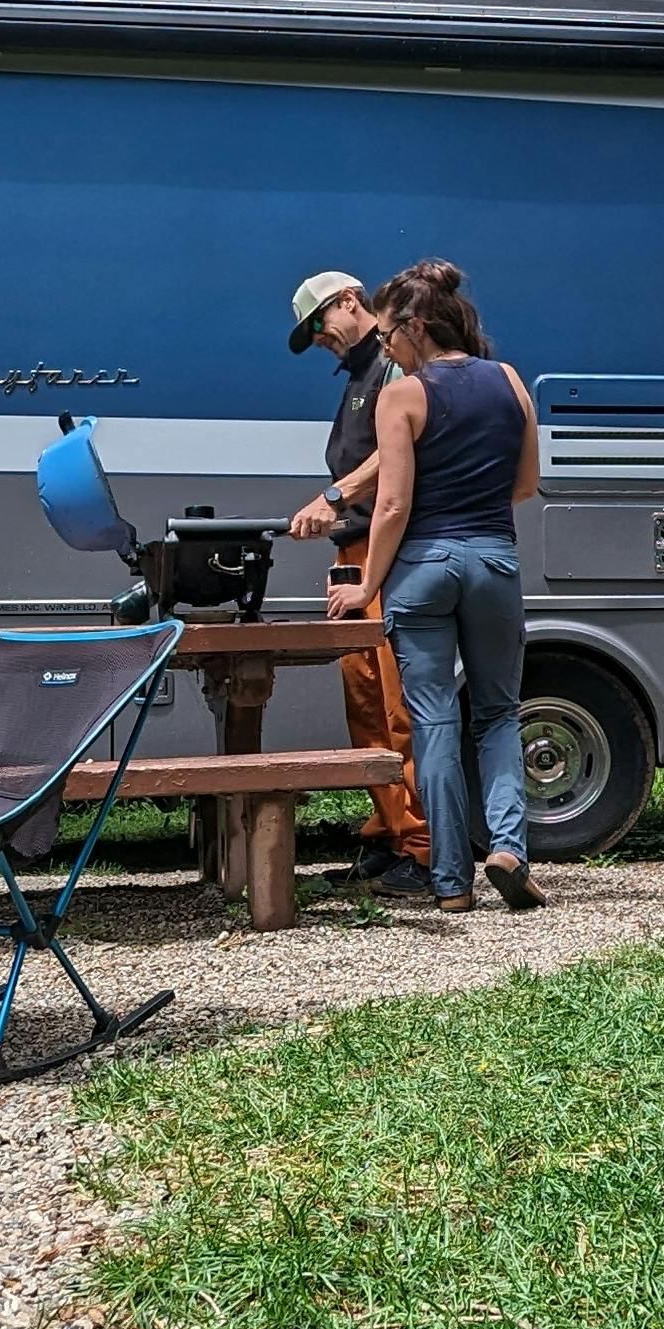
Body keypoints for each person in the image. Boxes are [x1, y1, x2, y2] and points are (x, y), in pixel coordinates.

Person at [327, 260, 543, 915]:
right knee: (499, 715)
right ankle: (508, 848)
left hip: (422, 568)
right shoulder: (509, 381)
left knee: (433, 721)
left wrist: (366, 584)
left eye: (391, 337)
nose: (387, 349)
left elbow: (390, 507)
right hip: (493, 561)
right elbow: (527, 482)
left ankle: (451, 881)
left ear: (417, 327)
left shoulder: (403, 395)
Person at [284, 268, 432, 891]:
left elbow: (397, 453)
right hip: (351, 547)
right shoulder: (355, 379)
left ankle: (421, 847)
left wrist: (334, 493)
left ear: (350, 303)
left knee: (399, 706)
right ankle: (385, 831)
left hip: (383, 550)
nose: (320, 339)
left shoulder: (395, 364)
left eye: (319, 325)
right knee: (364, 702)